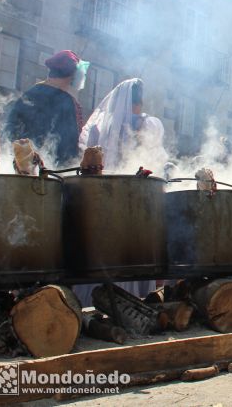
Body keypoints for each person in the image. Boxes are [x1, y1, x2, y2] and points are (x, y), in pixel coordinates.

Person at [75, 78, 168, 305]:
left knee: (103, 250)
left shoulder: (99, 127)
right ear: (141, 100)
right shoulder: (151, 125)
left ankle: (93, 303)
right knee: (134, 251)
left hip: (103, 200)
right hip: (139, 200)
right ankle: (135, 304)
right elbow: (158, 160)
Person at [5, 50, 88, 166]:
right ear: (72, 76)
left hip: (20, 167)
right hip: (52, 173)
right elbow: (70, 147)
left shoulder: (29, 94)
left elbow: (9, 131)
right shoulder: (67, 102)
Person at [79, 78, 168, 172]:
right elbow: (156, 157)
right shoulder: (149, 124)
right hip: (134, 178)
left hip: (103, 178)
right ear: (139, 103)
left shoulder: (100, 125)